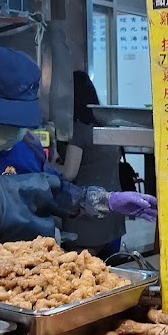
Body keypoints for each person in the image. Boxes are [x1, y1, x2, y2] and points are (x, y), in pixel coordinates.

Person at [0, 47, 156, 256]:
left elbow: (57, 192)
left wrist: (107, 201)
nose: (9, 132)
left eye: (16, 124)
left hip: (38, 277)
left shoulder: (27, 146)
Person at [58, 71, 125, 259]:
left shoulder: (80, 130)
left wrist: (46, 167)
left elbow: (69, 173)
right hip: (114, 218)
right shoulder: (110, 126)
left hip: (88, 224)